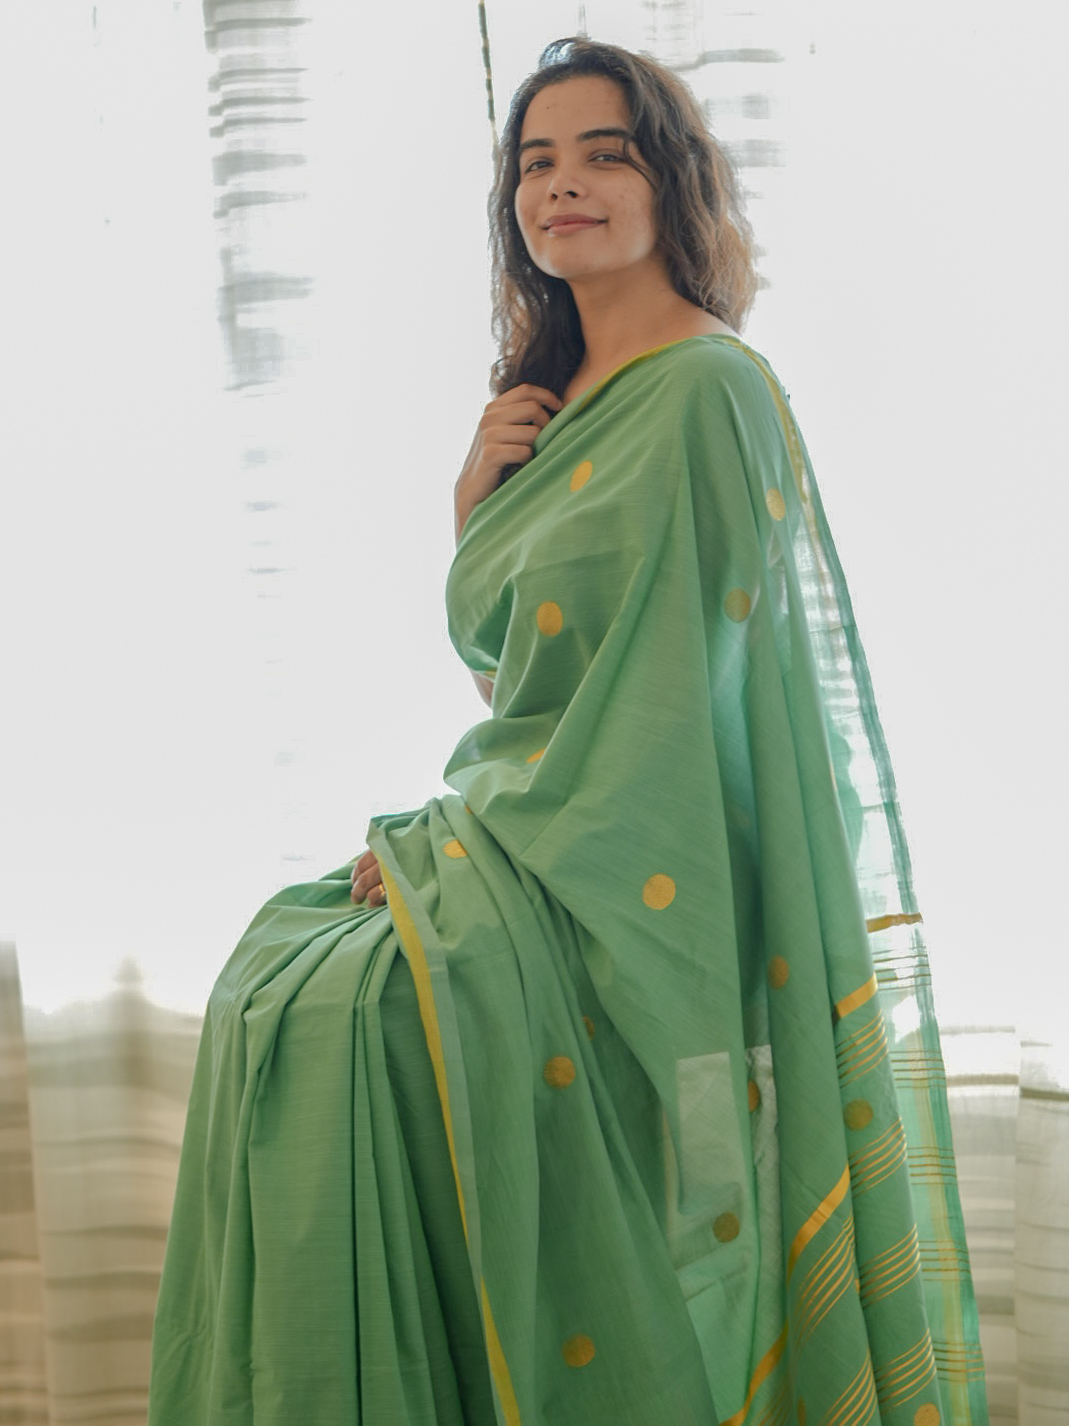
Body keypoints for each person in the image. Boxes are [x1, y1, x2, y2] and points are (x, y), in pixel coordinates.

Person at [148, 37, 988, 1426]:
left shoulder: (711, 390)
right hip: (541, 820)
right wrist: (471, 510)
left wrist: (460, 856)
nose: (564, 186)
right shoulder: (546, 407)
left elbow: (664, 699)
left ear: (672, 183)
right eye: (536, 164)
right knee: (274, 985)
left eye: (605, 154)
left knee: (349, 1014)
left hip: (644, 859)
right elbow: (525, 681)